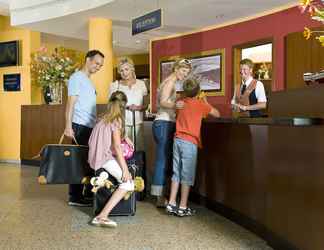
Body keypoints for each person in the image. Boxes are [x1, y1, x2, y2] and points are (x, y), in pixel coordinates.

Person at [166, 78, 220, 216]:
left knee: (176, 173)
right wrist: (205, 101)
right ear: (198, 91)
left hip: (177, 140)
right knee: (187, 176)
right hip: (189, 142)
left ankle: (171, 203)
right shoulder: (200, 104)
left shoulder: (180, 104)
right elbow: (217, 114)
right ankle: (183, 207)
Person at [64, 50, 104, 207]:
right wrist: (68, 126)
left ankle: (84, 193)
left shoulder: (88, 80)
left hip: (89, 126)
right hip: (79, 126)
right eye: (96, 63)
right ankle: (74, 197)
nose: (98, 67)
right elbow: (70, 104)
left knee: (87, 161)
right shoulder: (76, 78)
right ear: (88, 60)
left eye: (100, 65)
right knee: (78, 162)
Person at [88, 91, 134, 228]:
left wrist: (124, 137)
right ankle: (102, 216)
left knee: (125, 180)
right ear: (123, 105)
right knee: (129, 184)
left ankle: (102, 215)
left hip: (94, 157)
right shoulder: (117, 120)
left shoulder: (102, 118)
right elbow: (117, 147)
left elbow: (108, 137)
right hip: (104, 159)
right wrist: (125, 170)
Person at [151, 58, 192, 207]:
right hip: (164, 123)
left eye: (187, 72)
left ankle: (160, 194)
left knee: (163, 160)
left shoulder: (170, 81)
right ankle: (159, 197)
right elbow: (163, 102)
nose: (184, 74)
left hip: (163, 123)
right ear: (176, 69)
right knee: (162, 160)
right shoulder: (170, 82)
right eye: (183, 70)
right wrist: (177, 104)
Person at [108, 57, 148, 151]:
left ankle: (137, 166)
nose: (124, 73)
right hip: (120, 124)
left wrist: (138, 107)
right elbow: (110, 106)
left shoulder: (141, 84)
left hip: (137, 123)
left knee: (138, 150)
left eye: (126, 69)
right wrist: (124, 106)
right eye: (121, 70)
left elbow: (146, 105)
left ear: (132, 69)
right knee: (123, 150)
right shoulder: (115, 85)